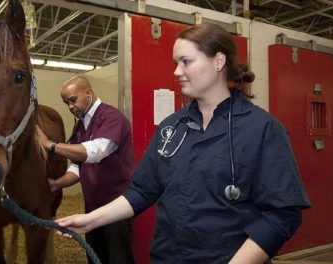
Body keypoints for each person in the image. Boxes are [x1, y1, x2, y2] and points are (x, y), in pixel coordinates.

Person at [54, 24, 311, 263]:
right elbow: (142, 191)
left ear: (219, 61)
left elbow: (282, 215)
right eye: (176, 63)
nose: (176, 71)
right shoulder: (171, 127)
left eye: (186, 62)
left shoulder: (261, 128)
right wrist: (90, 220)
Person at [36, 76, 136, 264]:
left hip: (117, 205)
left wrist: (50, 145)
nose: (71, 107)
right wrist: (58, 183)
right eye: (67, 103)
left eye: (73, 100)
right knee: (95, 256)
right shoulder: (81, 124)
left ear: (88, 94)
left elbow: (96, 151)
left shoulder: (111, 117)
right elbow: (78, 165)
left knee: (119, 257)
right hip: (93, 207)